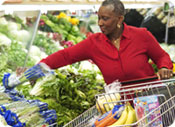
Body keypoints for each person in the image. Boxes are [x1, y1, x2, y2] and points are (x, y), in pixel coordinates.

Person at [3, 0, 174, 89]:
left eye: (105, 18)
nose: (99, 23)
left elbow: (161, 56)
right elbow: (65, 56)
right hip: (117, 103)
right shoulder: (94, 43)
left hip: (149, 96)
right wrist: (37, 68)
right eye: (98, 17)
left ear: (120, 20)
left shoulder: (141, 35)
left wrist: (165, 66)